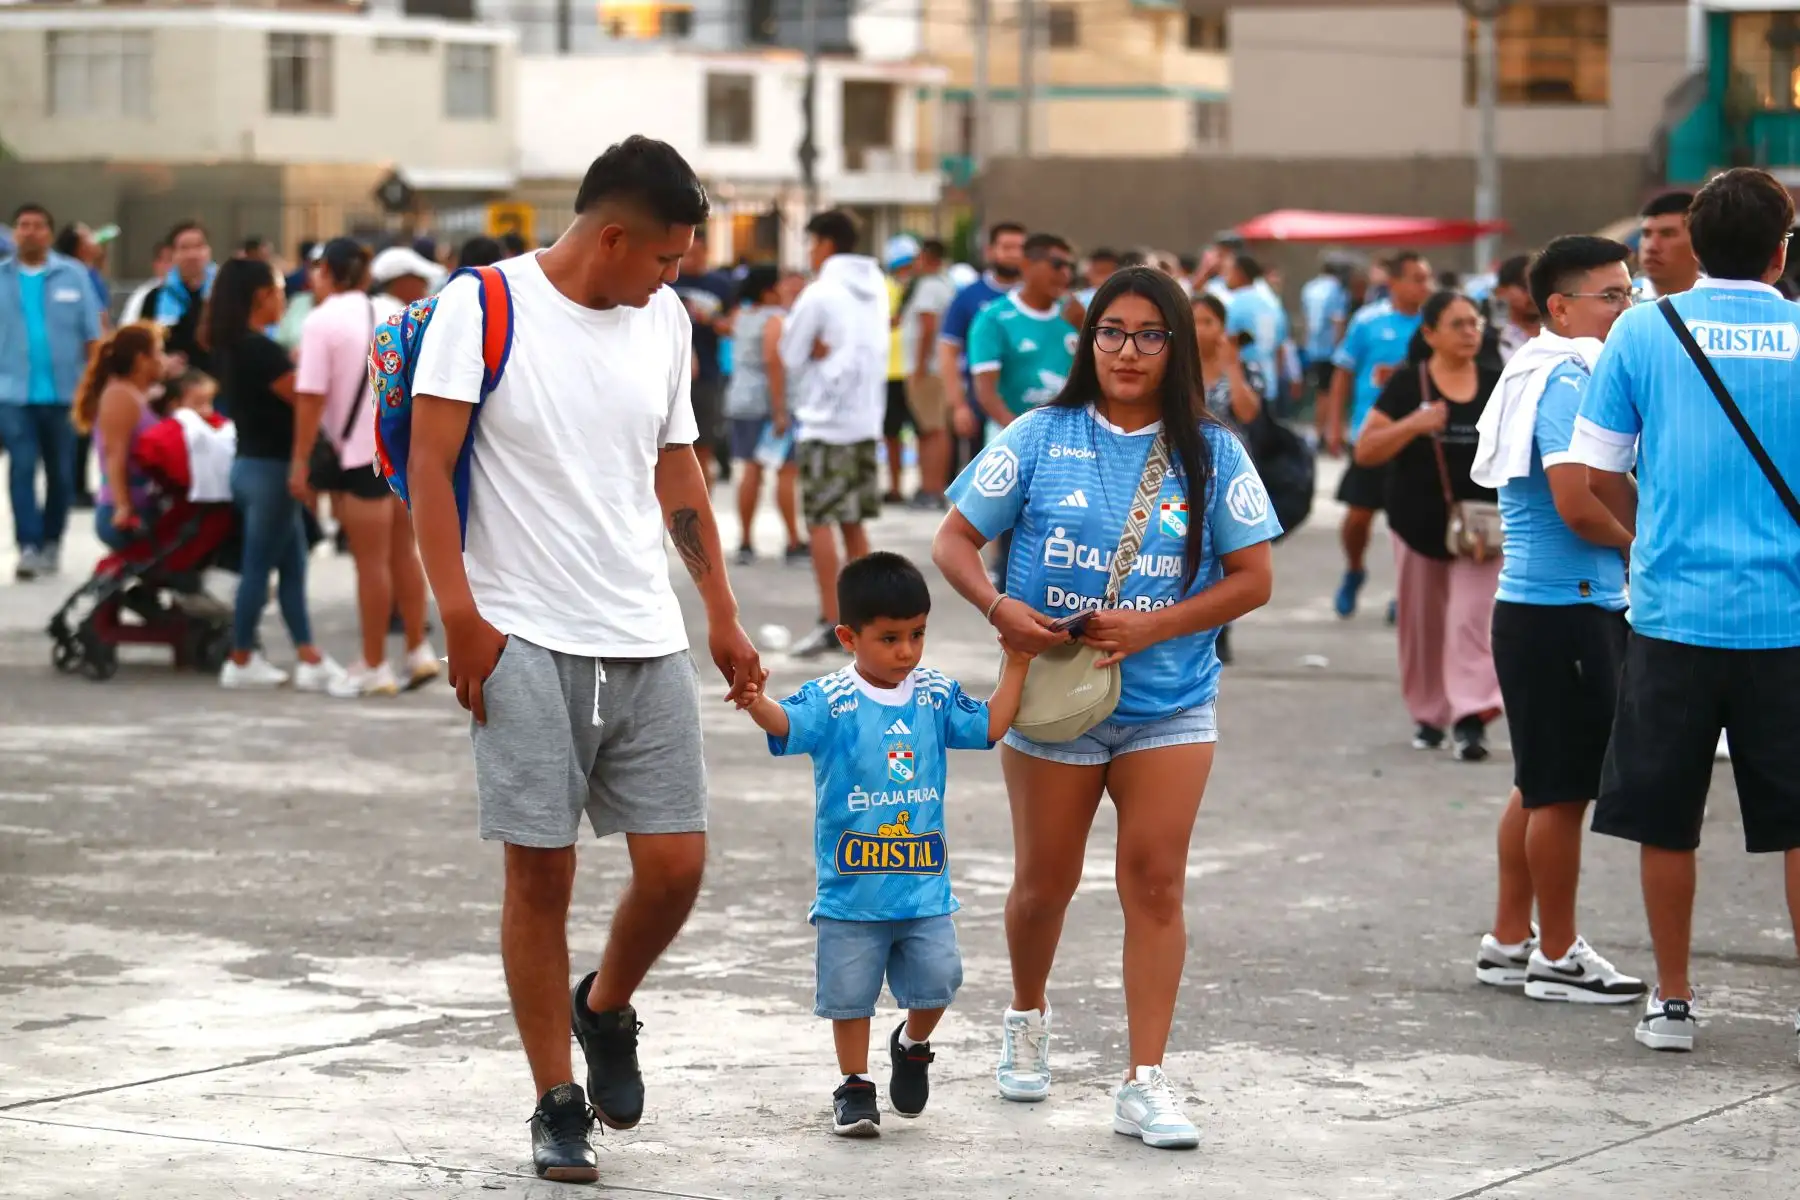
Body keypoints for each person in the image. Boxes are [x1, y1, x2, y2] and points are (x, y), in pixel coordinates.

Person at [406, 136, 763, 1183]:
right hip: (520, 629)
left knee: (676, 866)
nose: (676, 275)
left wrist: (721, 611)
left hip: (642, 630)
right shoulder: (479, 307)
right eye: (664, 257)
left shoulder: (665, 319)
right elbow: (430, 466)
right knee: (541, 870)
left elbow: (675, 462)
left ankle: (604, 1007)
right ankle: (554, 1099)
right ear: (612, 237)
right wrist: (461, 617)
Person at [932, 267, 1281, 1149]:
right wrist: (999, 608)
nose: (1129, 351)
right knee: (1042, 886)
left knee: (1156, 887)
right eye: (1112, 333)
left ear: (1179, 346)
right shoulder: (1040, 435)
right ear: (1088, 342)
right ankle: (1026, 1013)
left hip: (1173, 705)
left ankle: (1145, 1079)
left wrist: (1156, 625)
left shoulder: (1214, 449)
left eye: (1150, 334)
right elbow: (954, 539)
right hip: (1053, 703)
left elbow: (1254, 580)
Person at [1568, 167, 1800, 1056]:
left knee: (1667, 815)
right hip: (1787, 619)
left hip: (1671, 615)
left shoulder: (1642, 330)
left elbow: (1596, 473)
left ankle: (1672, 1000)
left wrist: (1656, 534)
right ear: (1782, 249)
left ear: (1695, 245)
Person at [735, 551, 1030, 1137]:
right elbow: (787, 726)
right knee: (851, 999)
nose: (907, 652)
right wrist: (755, 701)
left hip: (923, 890)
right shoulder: (830, 700)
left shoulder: (935, 693)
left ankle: (914, 1043)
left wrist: (1016, 663)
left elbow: (989, 725)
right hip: (851, 893)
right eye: (890, 638)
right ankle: (854, 1086)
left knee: (941, 979)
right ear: (848, 637)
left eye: (917, 635)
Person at [1469, 235, 1646, 1005]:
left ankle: (1510, 940)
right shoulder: (1568, 381)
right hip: (1565, 609)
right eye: (1610, 294)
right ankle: (1559, 953)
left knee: (1538, 786)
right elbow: (1578, 504)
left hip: (1543, 609)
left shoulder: (1545, 365)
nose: (1625, 307)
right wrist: (1647, 552)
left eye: (1629, 291)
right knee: (1563, 791)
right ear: (1560, 306)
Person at [1353, 291, 1503, 761]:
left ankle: (1472, 717)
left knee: (1472, 621)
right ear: (1431, 333)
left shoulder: (1500, 383)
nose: (1469, 332)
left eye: (1474, 323)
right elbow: (1366, 451)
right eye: (1457, 324)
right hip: (1418, 523)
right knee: (1423, 626)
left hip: (1485, 529)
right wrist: (1414, 425)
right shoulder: (1407, 385)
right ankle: (1429, 713)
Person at [295, 238, 436, 699]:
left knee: (370, 563)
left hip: (359, 457)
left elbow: (311, 396)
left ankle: (374, 663)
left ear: (331, 273)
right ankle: (417, 650)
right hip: (405, 452)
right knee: (404, 555)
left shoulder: (321, 321)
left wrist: (300, 462)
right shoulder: (398, 309)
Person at [206, 257, 342, 691]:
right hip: (270, 470)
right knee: (258, 569)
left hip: (251, 466)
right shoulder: (258, 349)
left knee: (293, 564)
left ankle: (308, 653)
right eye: (280, 290)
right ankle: (241, 656)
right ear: (260, 296)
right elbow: (303, 396)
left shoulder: (236, 346)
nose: (285, 299)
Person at [781, 210, 890, 660]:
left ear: (825, 243)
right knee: (854, 523)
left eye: (812, 243)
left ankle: (831, 621)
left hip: (825, 420)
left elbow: (790, 351)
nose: (810, 252)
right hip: (865, 417)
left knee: (821, 520)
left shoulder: (821, 292)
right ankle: (867, 623)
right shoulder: (876, 288)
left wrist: (815, 352)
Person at [1324, 249, 1433, 618]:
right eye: (1417, 278)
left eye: (1426, 278)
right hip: (1372, 436)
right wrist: (1334, 426)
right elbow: (1343, 372)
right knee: (1358, 517)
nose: (1425, 286)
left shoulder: (1433, 326)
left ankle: (1404, 590)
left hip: (1419, 436)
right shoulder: (1368, 322)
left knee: (1411, 522)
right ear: (1395, 282)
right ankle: (1354, 569)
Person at [0, 203, 104, 580]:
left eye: (38, 225)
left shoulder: (74, 276)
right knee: (22, 466)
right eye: (23, 225)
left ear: (49, 232)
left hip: (65, 395)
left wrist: (96, 388)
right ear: (14, 233)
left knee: (60, 473)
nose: (30, 231)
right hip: (13, 395)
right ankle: (27, 544)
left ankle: (51, 541)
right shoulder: (2, 278)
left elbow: (93, 338)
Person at [722, 265, 806, 566]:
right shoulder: (774, 320)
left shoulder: (741, 317)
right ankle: (794, 540)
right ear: (768, 290)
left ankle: (745, 541)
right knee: (786, 470)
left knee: (751, 472)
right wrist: (780, 410)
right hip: (767, 404)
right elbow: (773, 361)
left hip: (741, 400)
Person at [938, 222, 1027, 473]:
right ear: (990, 251)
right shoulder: (968, 297)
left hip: (1029, 405)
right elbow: (948, 351)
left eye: (1020, 248)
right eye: (1006, 247)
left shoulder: (1039, 297)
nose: (1013, 254)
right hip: (980, 404)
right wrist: (958, 405)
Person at [966, 233, 1077, 429]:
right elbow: (986, 393)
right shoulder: (993, 318)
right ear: (1026, 265)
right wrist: (1020, 436)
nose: (1066, 274)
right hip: (1011, 437)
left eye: (1071, 267)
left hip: (1069, 438)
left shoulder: (1076, 313)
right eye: (1057, 264)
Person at [74, 322, 165, 552]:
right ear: (141, 359)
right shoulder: (119, 396)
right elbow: (114, 454)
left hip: (146, 502)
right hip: (128, 509)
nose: (162, 359)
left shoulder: (137, 393)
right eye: (158, 352)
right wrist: (123, 507)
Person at [898, 239, 957, 510]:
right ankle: (929, 486)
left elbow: (928, 326)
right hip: (934, 368)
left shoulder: (930, 286)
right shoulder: (942, 284)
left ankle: (933, 488)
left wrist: (920, 366)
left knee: (933, 430)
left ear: (928, 257)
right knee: (929, 429)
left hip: (928, 370)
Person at [674, 227, 734, 483]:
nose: (691, 259)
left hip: (707, 375)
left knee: (702, 448)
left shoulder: (720, 285)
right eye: (686, 253)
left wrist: (712, 321)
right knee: (667, 449)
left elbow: (731, 327)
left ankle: (703, 507)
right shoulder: (667, 280)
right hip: (670, 374)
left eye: (696, 253)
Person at [881, 235, 920, 504]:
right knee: (891, 434)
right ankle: (895, 487)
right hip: (889, 371)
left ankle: (926, 486)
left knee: (924, 431)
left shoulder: (923, 287)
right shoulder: (884, 288)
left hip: (913, 370)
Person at [150, 221, 217, 375]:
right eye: (185, 248)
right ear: (172, 254)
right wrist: (163, 361)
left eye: (199, 246)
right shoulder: (156, 297)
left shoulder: (225, 292)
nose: (193, 254)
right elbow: (145, 346)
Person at [1222, 254, 1287, 405]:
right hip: (1270, 384)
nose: (1225, 277)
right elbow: (1280, 347)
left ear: (1239, 273)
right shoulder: (1272, 302)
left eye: (1228, 271)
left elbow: (1226, 344)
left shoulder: (1233, 304)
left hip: (1243, 387)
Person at [1634, 190, 1700, 300]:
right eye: (1646, 234)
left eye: (1667, 234)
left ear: (1698, 240)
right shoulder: (1622, 303)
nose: (1651, 247)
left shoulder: (1721, 301)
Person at [1300, 258, 1350, 401]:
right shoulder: (1337, 289)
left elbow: (1306, 319)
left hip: (1311, 347)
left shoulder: (1310, 287)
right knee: (1329, 391)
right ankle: (1325, 423)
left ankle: (1317, 423)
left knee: (1317, 390)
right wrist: (1340, 347)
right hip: (1329, 349)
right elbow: (1338, 321)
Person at [369, 245, 442, 323]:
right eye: (421, 279)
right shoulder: (393, 314)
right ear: (403, 282)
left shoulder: (375, 307)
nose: (425, 286)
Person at [1490, 254, 1541, 365]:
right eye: (1526, 287)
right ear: (1501, 291)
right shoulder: (1491, 341)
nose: (1535, 295)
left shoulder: (1566, 336)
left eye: (1541, 286)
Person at [121, 240, 174, 325]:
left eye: (172, 260)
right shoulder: (143, 294)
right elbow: (127, 327)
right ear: (155, 264)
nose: (169, 266)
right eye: (165, 260)